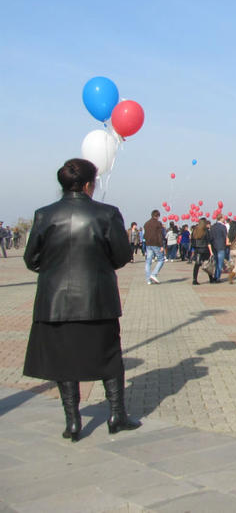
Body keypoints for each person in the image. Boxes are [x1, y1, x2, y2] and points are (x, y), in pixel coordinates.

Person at [22, 157, 140, 441]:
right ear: (89, 185)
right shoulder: (107, 214)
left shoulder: (44, 215)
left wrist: (53, 269)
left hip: (56, 302)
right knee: (109, 357)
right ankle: (116, 414)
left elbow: (31, 259)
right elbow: (122, 256)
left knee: (64, 361)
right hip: (97, 300)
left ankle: (73, 422)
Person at [142, 209, 165, 285]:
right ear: (157, 216)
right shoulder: (158, 223)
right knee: (161, 259)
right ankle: (154, 274)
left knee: (148, 261)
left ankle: (148, 279)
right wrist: (161, 245)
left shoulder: (146, 224)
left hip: (148, 244)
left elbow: (144, 235)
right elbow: (160, 235)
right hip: (156, 244)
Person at [191, 218, 213, 285]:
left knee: (197, 265)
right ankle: (211, 278)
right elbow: (209, 242)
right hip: (205, 249)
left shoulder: (195, 230)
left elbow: (192, 240)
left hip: (197, 249)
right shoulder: (206, 231)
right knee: (208, 264)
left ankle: (194, 279)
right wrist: (211, 252)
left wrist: (194, 248)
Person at [209, 214, 228, 282]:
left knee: (216, 262)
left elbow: (210, 237)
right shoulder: (223, 227)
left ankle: (215, 276)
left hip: (214, 246)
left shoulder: (213, 226)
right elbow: (226, 236)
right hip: (221, 246)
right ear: (221, 218)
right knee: (220, 263)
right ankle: (217, 277)